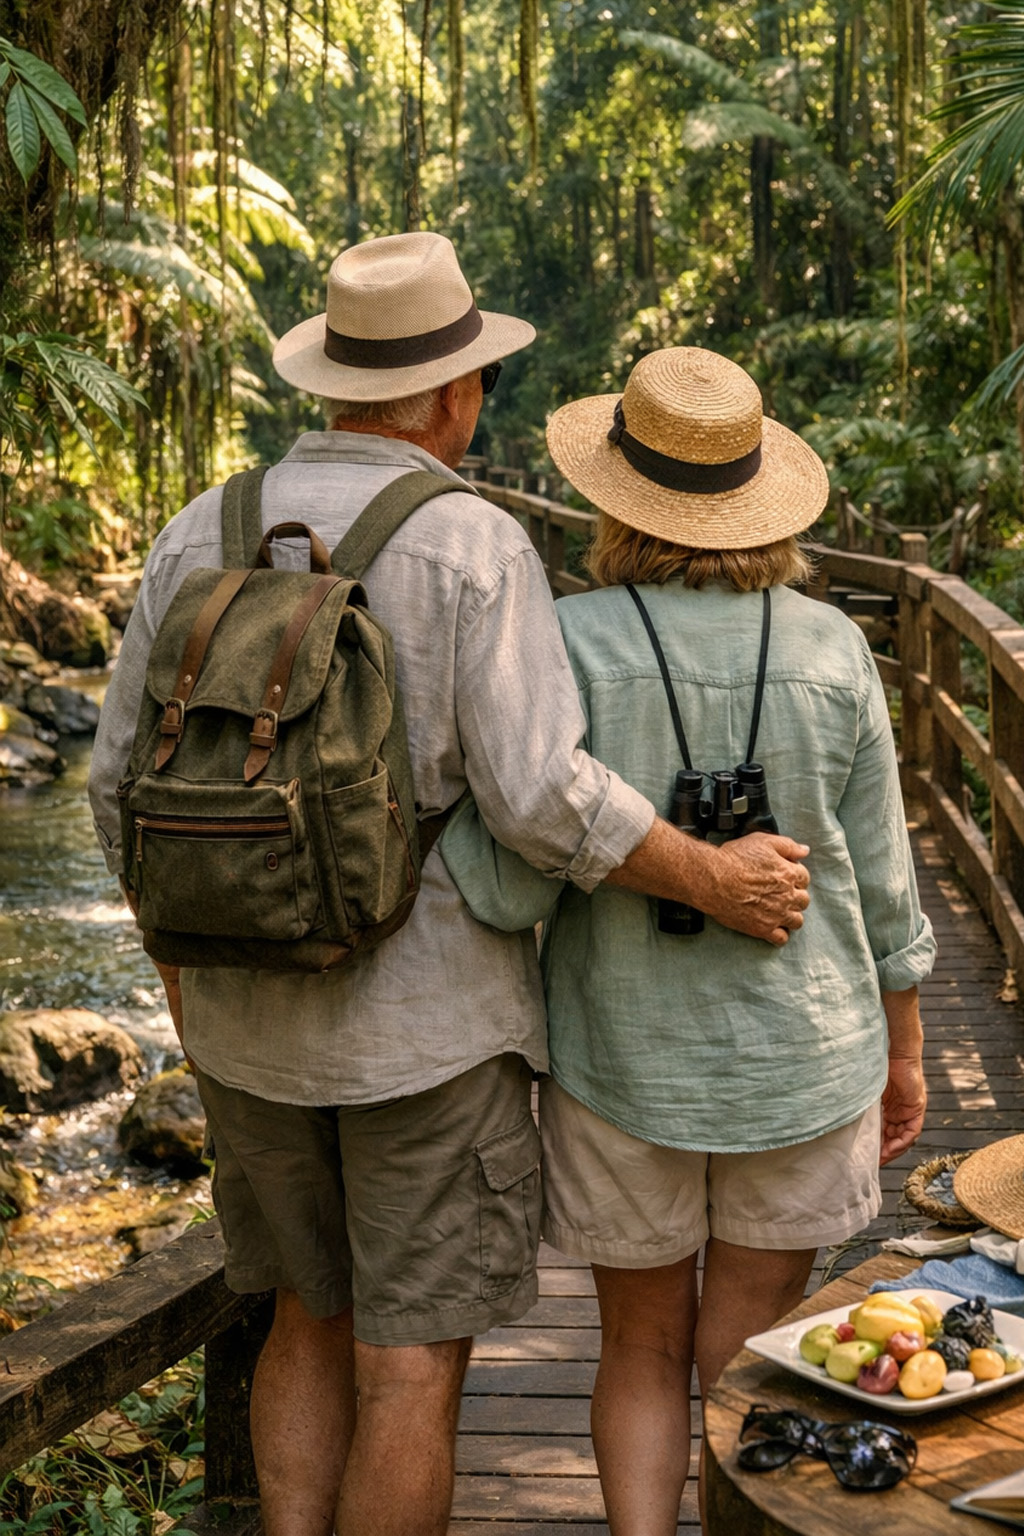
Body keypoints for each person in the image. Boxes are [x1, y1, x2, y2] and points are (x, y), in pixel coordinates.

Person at [87, 237, 813, 1536]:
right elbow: (543, 801)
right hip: (429, 1039)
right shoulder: (472, 543)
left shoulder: (204, 524)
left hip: (245, 1034)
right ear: (454, 396)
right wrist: (713, 877)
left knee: (304, 1321)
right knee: (410, 1362)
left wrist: (182, 977)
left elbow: (111, 790)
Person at [441, 345, 935, 1534]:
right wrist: (904, 1052)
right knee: (753, 1355)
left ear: (617, 498)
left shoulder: (564, 639)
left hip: (620, 1057)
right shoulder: (833, 650)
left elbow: (501, 889)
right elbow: (883, 886)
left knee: (639, 1346)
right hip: (805, 1057)